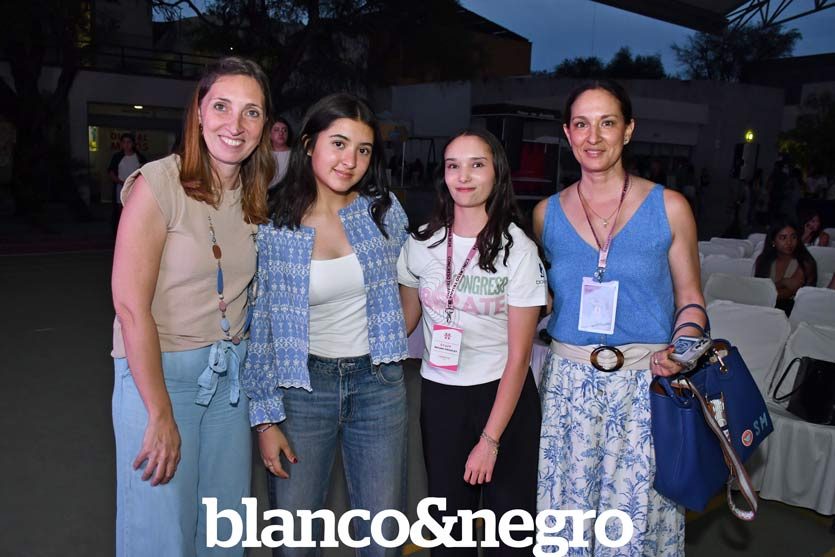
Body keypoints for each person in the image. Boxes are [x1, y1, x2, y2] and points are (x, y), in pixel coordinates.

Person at [533, 80, 706, 556]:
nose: (594, 137)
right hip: (567, 388)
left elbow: (691, 299)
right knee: (566, 518)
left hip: (644, 386)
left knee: (634, 524)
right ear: (568, 134)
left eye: (607, 123)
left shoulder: (670, 207)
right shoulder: (546, 214)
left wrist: (683, 349)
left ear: (628, 130)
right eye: (582, 124)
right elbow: (548, 299)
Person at [110, 57, 273, 556]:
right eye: (222, 106)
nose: (235, 124)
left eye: (251, 112)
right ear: (199, 113)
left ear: (264, 125)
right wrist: (158, 412)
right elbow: (130, 306)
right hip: (161, 378)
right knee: (161, 534)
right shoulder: (158, 183)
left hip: (229, 385)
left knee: (224, 530)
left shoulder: (254, 196)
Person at [242, 93, 410, 557]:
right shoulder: (274, 222)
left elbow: (411, 281)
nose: (350, 160)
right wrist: (265, 419)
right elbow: (262, 327)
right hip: (302, 391)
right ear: (308, 144)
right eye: (338, 143)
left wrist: (392, 341)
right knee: (294, 543)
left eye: (363, 149)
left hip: (378, 386)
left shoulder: (383, 210)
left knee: (382, 540)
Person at [398, 129, 547, 556]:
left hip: (503, 398)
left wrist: (490, 440)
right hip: (441, 397)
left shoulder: (517, 249)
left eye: (476, 165)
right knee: (449, 530)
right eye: (453, 166)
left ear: (496, 173)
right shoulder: (421, 242)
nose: (463, 176)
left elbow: (520, 357)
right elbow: (405, 320)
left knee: (510, 534)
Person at [754, 220, 817, 314]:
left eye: (793, 237)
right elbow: (758, 290)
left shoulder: (805, 262)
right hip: (765, 308)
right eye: (783, 238)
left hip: (795, 311)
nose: (789, 242)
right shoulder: (763, 260)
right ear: (773, 241)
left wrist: (764, 293)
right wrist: (783, 282)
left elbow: (788, 293)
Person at [108, 133, 147, 235]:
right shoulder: (117, 157)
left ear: (133, 143)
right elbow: (111, 172)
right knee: (121, 211)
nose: (126, 145)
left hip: (136, 189)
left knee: (135, 211)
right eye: (124, 142)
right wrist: (121, 182)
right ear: (121, 144)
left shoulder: (139, 157)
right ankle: (121, 232)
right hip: (121, 188)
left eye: (129, 142)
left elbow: (145, 171)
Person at [269, 116, 293, 188]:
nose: (281, 133)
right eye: (276, 130)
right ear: (269, 134)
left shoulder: (294, 154)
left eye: (284, 130)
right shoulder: (263, 154)